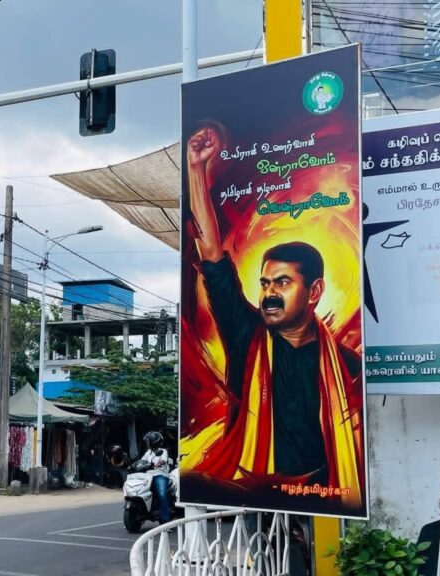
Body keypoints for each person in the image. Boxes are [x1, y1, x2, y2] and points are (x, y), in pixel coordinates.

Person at [185, 124, 363, 503]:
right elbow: (212, 257)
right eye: (265, 284)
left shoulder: (348, 367)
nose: (269, 294)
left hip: (324, 495)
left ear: (315, 291)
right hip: (254, 490)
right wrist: (196, 171)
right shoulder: (246, 334)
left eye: (282, 283)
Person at [140, 431, 172, 523]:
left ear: (153, 442)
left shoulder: (163, 451)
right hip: (148, 475)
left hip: (160, 474)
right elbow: (142, 461)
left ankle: (165, 520)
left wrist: (159, 463)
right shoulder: (148, 452)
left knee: (162, 494)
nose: (147, 443)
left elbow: (163, 460)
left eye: (148, 441)